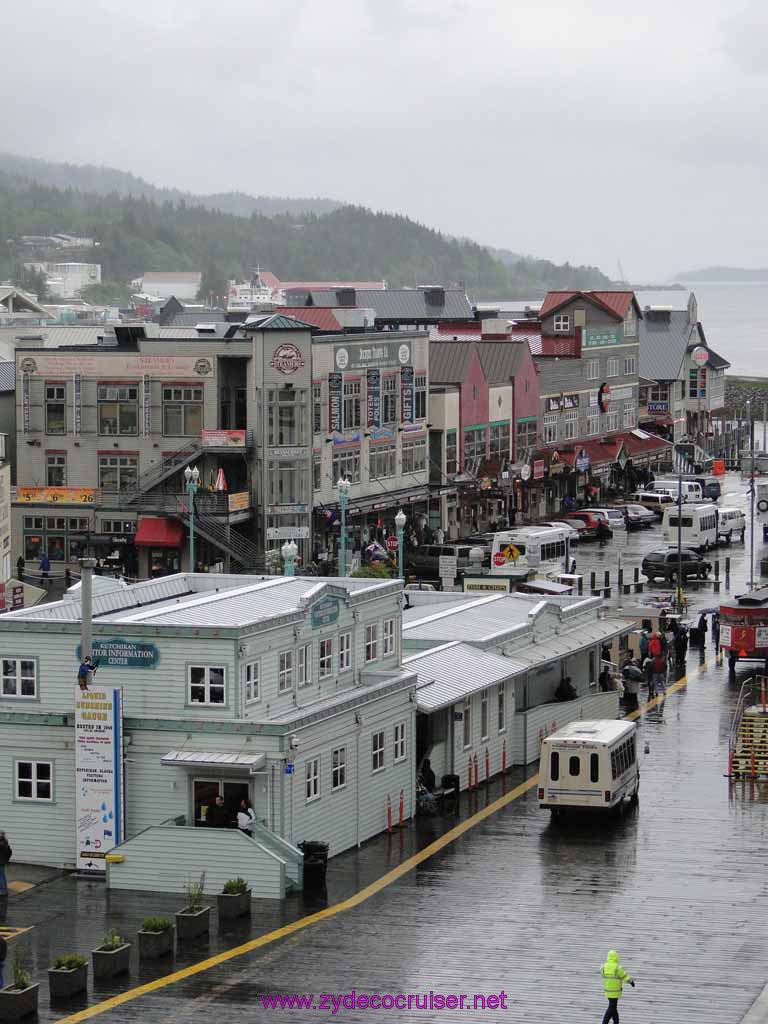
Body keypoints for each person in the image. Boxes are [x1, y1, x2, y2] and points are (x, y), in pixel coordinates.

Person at [600, 949, 635, 1024]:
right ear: (616, 957)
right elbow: (625, 977)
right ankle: (604, 1022)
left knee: (613, 1007)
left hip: (607, 991)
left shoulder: (603, 966)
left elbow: (602, 974)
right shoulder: (618, 967)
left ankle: (616, 1022)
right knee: (611, 1007)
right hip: (615, 991)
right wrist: (631, 982)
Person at [0, 831, 10, 897]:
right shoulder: (5, 842)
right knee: (2, 875)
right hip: (2, 861)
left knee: (0, 876)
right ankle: (5, 890)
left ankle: (3, 891)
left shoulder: (1, 843)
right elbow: (9, 852)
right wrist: (6, 859)